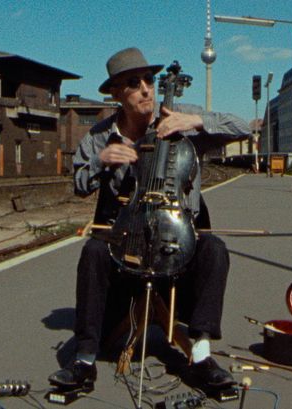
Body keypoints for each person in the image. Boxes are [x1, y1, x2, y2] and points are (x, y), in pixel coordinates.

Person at [48, 48, 250, 391]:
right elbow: (79, 184)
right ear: (116, 93)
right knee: (94, 250)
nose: (145, 89)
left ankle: (201, 354)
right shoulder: (99, 136)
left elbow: (243, 128)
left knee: (214, 248)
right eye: (133, 83)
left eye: (149, 80)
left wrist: (195, 122)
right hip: (126, 250)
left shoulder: (182, 117)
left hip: (177, 246)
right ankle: (83, 359)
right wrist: (100, 160)